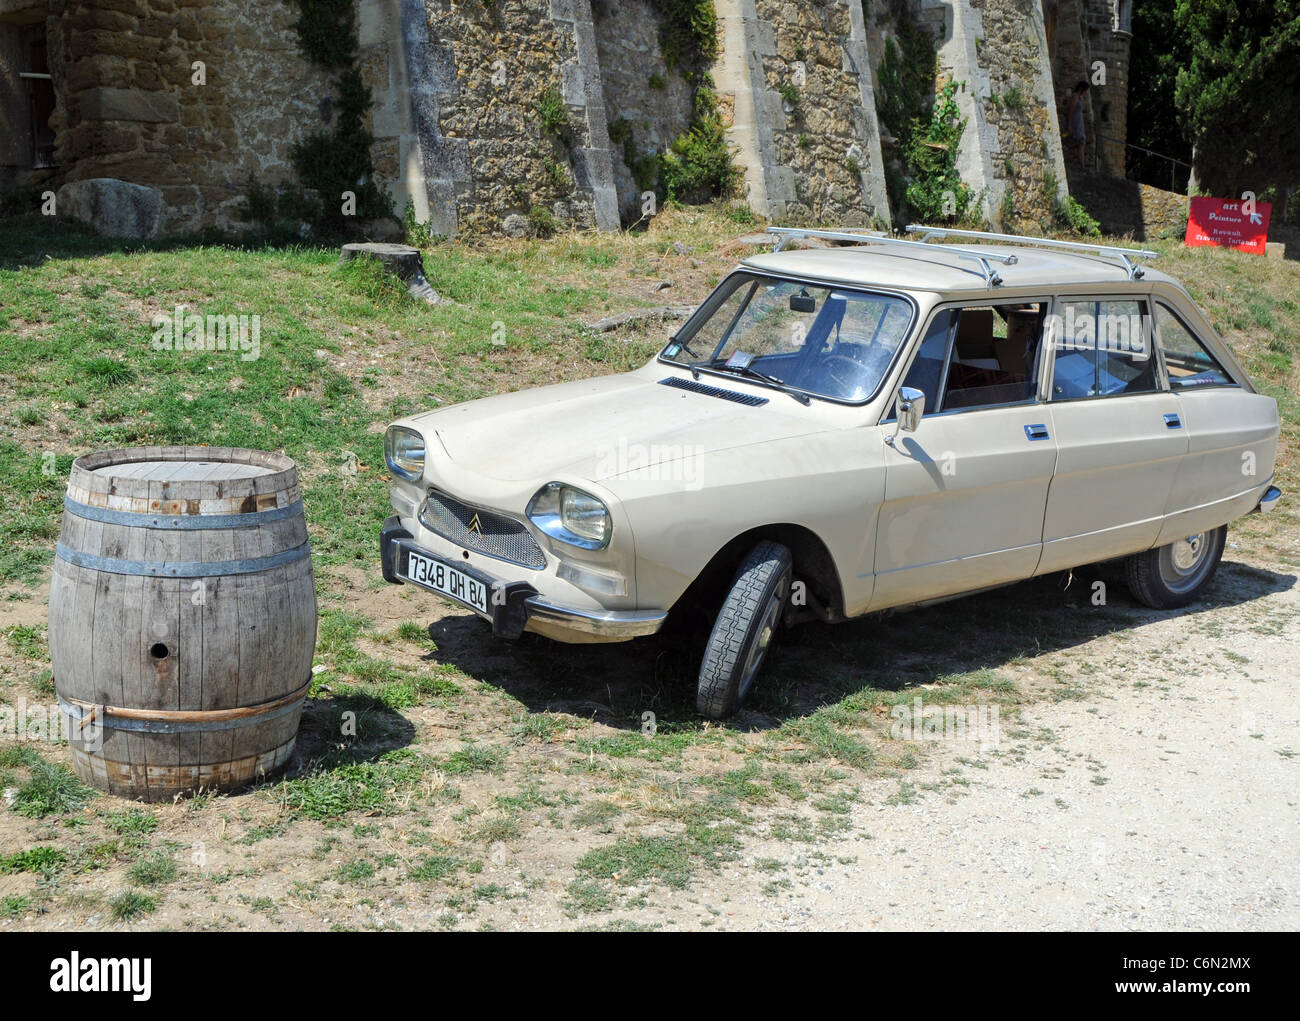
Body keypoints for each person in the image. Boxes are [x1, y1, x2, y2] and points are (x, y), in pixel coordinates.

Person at [1066, 81, 1089, 165]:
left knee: (1081, 142)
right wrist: (1069, 125)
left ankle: (1080, 162)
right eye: (1085, 90)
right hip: (1075, 121)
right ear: (1081, 89)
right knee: (1080, 142)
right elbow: (1070, 111)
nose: (1085, 92)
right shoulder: (1075, 96)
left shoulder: (1079, 98)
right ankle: (1081, 164)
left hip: (1079, 122)